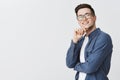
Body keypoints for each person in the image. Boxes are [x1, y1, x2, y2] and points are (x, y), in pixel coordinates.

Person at [66, 3, 113, 80]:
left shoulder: (103, 38)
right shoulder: (81, 39)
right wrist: (74, 41)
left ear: (94, 18)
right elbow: (70, 63)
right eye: (80, 16)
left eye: (87, 15)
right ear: (78, 20)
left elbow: (90, 67)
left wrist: (76, 65)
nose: (84, 19)